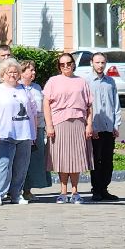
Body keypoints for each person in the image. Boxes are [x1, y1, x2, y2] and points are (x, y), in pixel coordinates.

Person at [0, 57, 34, 206]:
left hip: (24, 134)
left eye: (15, 72)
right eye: (9, 72)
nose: (12, 75)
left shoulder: (25, 89)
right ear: (2, 74)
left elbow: (33, 111)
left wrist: (33, 133)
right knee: (4, 165)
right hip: (5, 134)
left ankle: (16, 194)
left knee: (21, 167)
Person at [43, 53, 95, 204]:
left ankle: (75, 192)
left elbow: (89, 106)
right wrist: (49, 125)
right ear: (59, 67)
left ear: (73, 64)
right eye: (62, 64)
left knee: (76, 158)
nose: (66, 66)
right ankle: (63, 192)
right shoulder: (53, 81)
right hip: (59, 123)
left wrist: (89, 125)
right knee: (62, 158)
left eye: (68, 63)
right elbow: (46, 104)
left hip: (78, 123)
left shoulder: (82, 82)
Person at [88, 53, 122, 202]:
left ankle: (104, 189)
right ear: (92, 63)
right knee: (96, 160)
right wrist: (90, 126)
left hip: (109, 127)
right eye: (97, 62)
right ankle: (96, 190)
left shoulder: (110, 82)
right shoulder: (87, 82)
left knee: (108, 161)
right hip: (95, 127)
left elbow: (116, 104)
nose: (100, 65)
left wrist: (116, 124)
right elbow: (86, 106)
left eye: (102, 62)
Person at [20, 60, 51, 201]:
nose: (34, 73)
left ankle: (27, 190)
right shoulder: (17, 87)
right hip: (22, 129)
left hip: (38, 128)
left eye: (34, 70)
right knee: (20, 160)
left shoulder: (37, 87)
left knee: (34, 160)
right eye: (30, 70)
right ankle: (14, 190)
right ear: (22, 72)